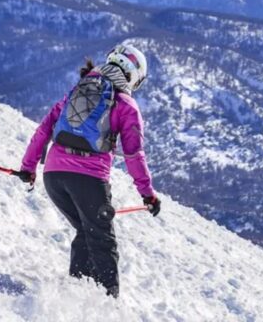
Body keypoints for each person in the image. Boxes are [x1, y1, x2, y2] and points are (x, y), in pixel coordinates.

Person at [16, 43, 160, 298]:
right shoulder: (126, 105)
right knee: (104, 243)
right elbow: (134, 154)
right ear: (134, 76)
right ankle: (106, 308)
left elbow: (44, 129)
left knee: (86, 231)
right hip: (89, 181)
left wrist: (28, 168)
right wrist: (148, 194)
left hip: (54, 177)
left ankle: (77, 297)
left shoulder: (78, 90)